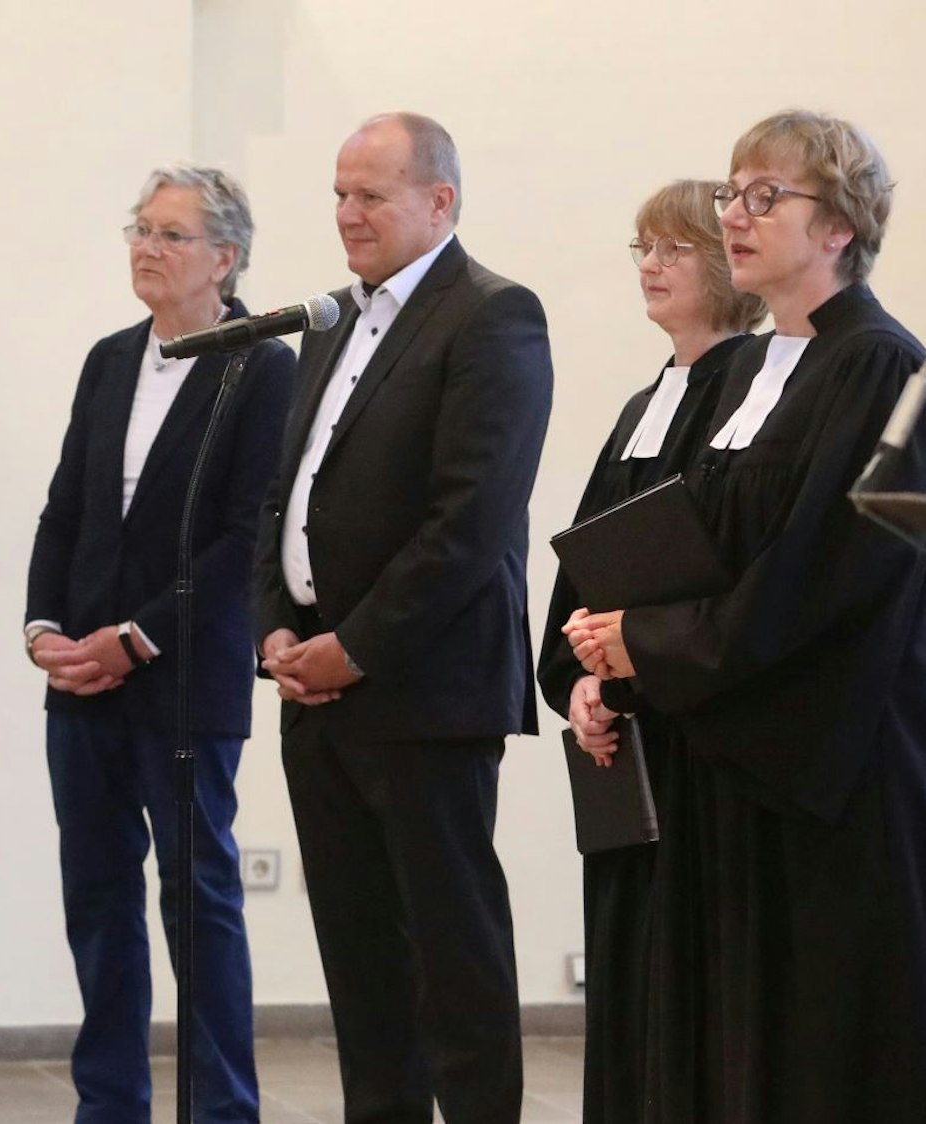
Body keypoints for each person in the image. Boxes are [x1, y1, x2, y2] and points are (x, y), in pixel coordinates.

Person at [567, 110, 926, 1121]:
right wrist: (605, 669)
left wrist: (651, 642)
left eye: (768, 195)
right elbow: (666, 545)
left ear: (839, 228)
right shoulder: (734, 369)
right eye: (731, 192)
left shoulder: (879, 365)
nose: (737, 213)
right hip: (709, 754)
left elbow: (821, 575)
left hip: (815, 768)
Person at [252, 112, 553, 1124]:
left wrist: (357, 646)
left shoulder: (492, 316)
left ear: (440, 201)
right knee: (360, 960)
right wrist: (276, 626)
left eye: (370, 195)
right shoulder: (335, 315)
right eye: (338, 193)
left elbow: (471, 519)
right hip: (317, 685)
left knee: (449, 957)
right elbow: (283, 491)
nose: (347, 213)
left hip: (425, 691)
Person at [25, 164, 296, 1124]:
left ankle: (221, 1109)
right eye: (139, 227)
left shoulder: (262, 365)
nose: (145, 245)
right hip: (81, 681)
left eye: (170, 234)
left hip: (181, 678)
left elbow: (245, 531)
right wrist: (44, 628)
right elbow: (68, 505)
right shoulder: (109, 358)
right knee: (95, 901)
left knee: (199, 902)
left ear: (224, 258)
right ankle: (109, 1104)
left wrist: (135, 639)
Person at [536, 180, 763, 1122]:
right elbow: (583, 571)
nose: (654, 265)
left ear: (728, 264)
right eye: (642, 248)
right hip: (625, 743)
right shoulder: (645, 402)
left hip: (703, 738)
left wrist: (635, 662)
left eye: (674, 247)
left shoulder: (755, 389)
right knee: (628, 972)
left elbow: (727, 575)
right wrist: (580, 684)